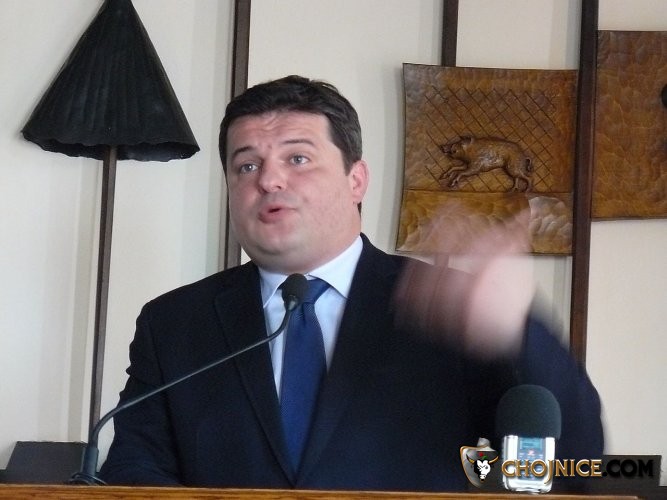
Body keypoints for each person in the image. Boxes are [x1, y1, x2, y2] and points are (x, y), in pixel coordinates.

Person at [99, 75, 603, 491]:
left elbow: (573, 465)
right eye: (246, 165)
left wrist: (519, 331)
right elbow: (135, 470)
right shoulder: (174, 324)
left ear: (356, 180)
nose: (268, 180)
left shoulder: (448, 305)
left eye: (297, 159)